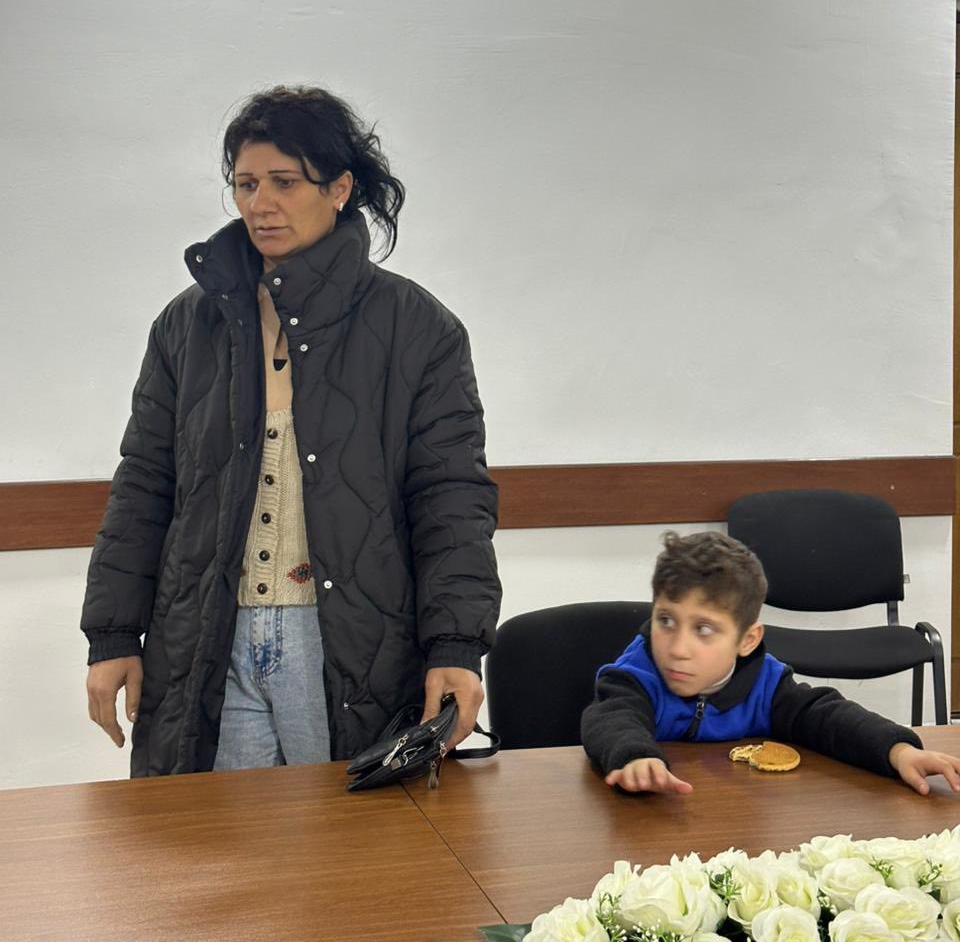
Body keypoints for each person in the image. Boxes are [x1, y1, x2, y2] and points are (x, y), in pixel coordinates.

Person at [82, 85, 501, 776]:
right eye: (246, 184)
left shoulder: (417, 327)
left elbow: (451, 499)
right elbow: (144, 485)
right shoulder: (188, 324)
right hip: (207, 638)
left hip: (348, 641)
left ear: (339, 188)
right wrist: (113, 634)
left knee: (352, 839)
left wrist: (456, 646)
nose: (260, 204)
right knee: (219, 839)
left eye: (284, 182)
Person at [581, 530, 960, 796]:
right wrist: (636, 757)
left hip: (733, 823)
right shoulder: (637, 674)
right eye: (665, 620)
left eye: (704, 629)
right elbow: (613, 717)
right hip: (649, 829)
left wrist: (899, 751)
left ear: (747, 640)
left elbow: (828, 717)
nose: (678, 648)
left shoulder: (766, 684)